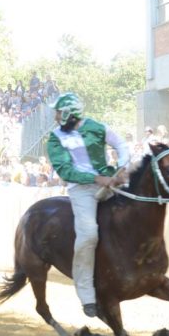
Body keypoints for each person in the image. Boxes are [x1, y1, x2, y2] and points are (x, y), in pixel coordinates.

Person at [46, 92, 131, 317]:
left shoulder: (97, 126)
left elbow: (121, 144)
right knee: (89, 235)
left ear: (68, 114)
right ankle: (86, 294)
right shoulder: (55, 138)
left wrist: (121, 168)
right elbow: (65, 171)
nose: (55, 117)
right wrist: (97, 179)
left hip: (108, 180)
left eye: (58, 113)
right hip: (81, 190)